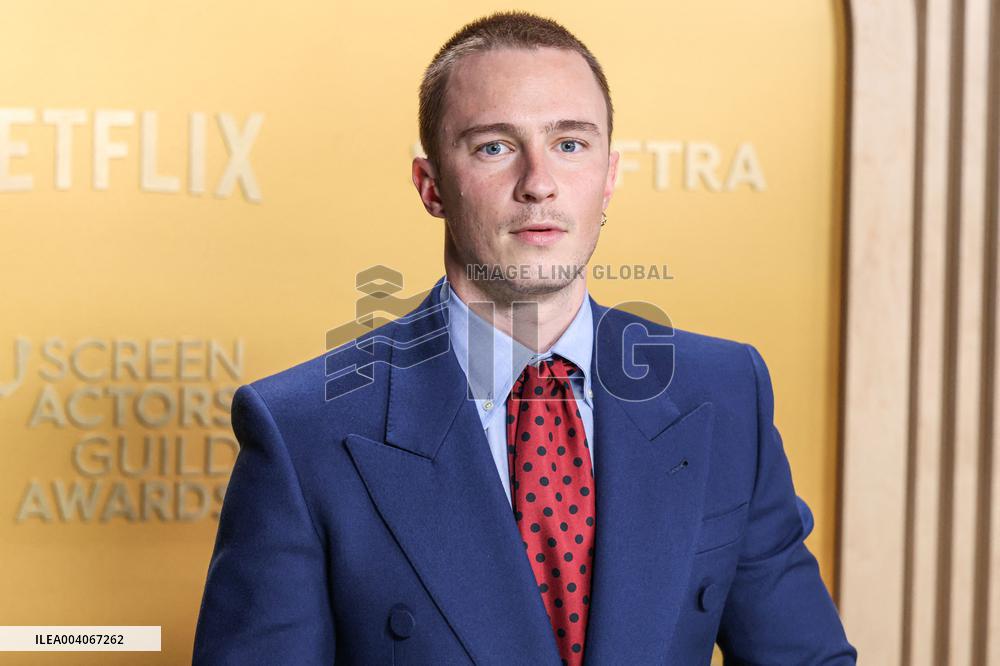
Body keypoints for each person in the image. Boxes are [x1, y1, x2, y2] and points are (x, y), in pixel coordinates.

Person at [193, 11, 857, 665]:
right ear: (431, 187)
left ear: (609, 178)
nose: (539, 184)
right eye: (494, 147)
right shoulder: (303, 430)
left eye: (570, 144)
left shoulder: (724, 395)